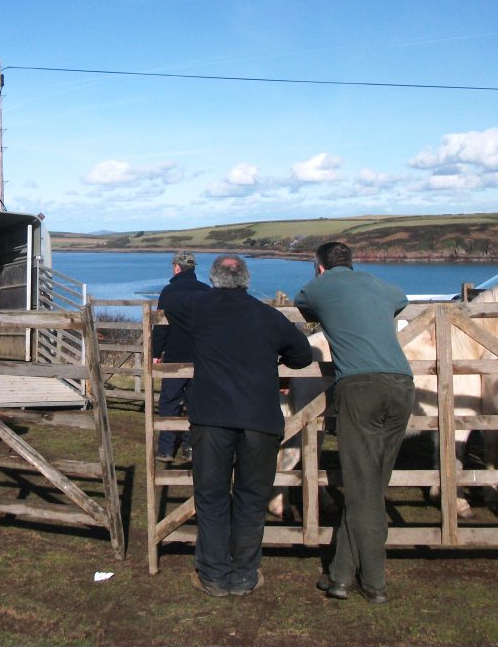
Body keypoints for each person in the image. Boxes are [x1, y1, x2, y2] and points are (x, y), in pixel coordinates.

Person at [165, 254, 312, 597]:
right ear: (246, 280)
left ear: (214, 280)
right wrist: (277, 358)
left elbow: (171, 299)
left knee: (212, 496)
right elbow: (303, 355)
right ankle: (245, 574)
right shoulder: (267, 315)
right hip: (260, 420)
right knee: (251, 498)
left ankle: (214, 575)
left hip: (212, 418)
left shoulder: (198, 308)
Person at [294, 241, 414, 605]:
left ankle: (374, 582)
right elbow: (401, 300)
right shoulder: (379, 284)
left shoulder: (319, 285)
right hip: (403, 385)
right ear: (352, 262)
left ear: (319, 267)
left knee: (363, 488)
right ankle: (340, 576)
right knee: (372, 485)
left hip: (360, 386)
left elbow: (303, 306)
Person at [151, 250, 210, 463]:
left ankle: (165, 449)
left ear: (177, 267)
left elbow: (161, 326)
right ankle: (191, 447)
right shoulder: (206, 290)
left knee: (169, 400)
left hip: (176, 356)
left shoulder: (168, 292)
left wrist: (156, 353)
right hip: (201, 355)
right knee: (196, 402)